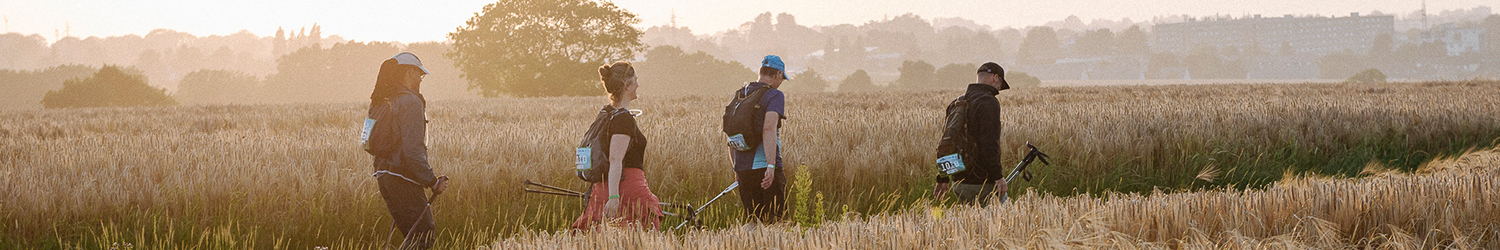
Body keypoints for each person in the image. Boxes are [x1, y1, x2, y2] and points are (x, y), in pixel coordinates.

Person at [369, 52, 449, 249]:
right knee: (423, 233)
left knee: (413, 235)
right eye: (419, 74)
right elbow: (413, 150)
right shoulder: (411, 102)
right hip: (403, 177)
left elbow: (369, 142)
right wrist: (432, 181)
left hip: (384, 176)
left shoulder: (380, 101)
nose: (421, 79)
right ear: (408, 72)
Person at [572, 61, 663, 230]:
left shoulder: (607, 114)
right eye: (635, 80)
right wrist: (614, 196)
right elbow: (615, 158)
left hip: (602, 187)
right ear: (626, 85)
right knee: (641, 237)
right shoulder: (623, 119)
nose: (638, 84)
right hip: (626, 187)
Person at [934, 62, 1010, 207]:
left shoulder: (957, 102)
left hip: (959, 182)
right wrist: (998, 177)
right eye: (1000, 83)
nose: (999, 88)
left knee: (972, 226)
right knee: (1002, 224)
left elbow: (947, 142)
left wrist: (942, 178)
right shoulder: (988, 102)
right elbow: (989, 143)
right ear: (995, 77)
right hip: (982, 182)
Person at [729, 55, 791, 223]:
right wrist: (771, 166)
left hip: (743, 170)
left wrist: (737, 169)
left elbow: (732, 133)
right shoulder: (774, 95)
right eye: (782, 78)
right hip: (765, 168)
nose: (780, 83)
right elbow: (769, 128)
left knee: (754, 224)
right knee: (777, 224)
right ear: (778, 74)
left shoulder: (741, 94)